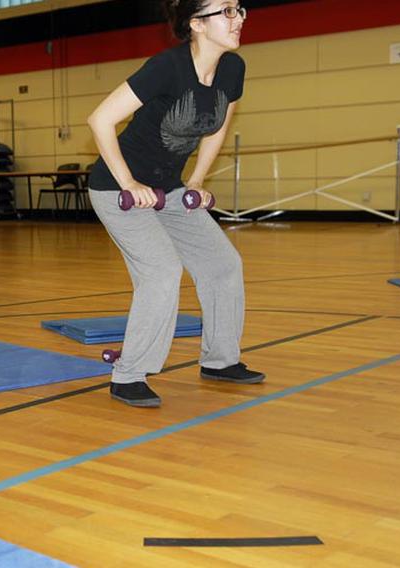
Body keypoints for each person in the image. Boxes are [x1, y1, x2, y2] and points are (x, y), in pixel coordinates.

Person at [85, 0, 264, 408]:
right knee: (162, 270)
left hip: (167, 189)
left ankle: (220, 360)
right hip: (118, 191)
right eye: (227, 11)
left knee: (223, 264)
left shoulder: (233, 70)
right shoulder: (167, 67)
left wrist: (198, 180)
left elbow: (217, 128)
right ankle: (128, 375)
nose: (239, 19)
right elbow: (100, 120)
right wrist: (128, 180)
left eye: (240, 9)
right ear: (197, 24)